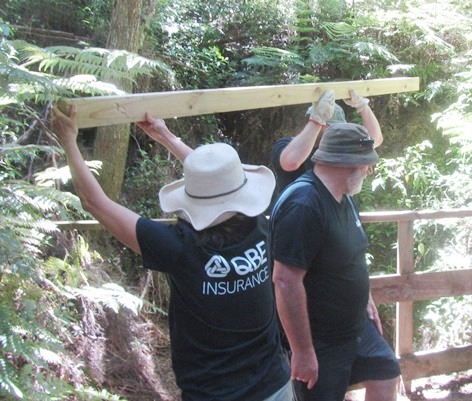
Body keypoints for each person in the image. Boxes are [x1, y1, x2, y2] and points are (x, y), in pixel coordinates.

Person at [50, 105, 292, 401]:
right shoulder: (260, 228)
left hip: (213, 395)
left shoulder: (179, 248)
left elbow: (95, 202)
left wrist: (68, 140)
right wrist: (166, 138)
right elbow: (217, 183)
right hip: (275, 384)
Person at [270, 122, 401, 401]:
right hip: (321, 340)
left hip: (355, 326)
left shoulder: (343, 196)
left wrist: (366, 297)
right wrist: (303, 351)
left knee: (386, 372)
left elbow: (350, 256)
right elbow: (284, 280)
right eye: (366, 164)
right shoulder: (304, 205)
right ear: (346, 164)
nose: (369, 170)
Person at [271, 88, 383, 195]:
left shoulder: (338, 147)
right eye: (333, 128)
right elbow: (291, 162)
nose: (338, 133)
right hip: (302, 207)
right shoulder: (285, 145)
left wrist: (362, 106)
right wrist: (317, 120)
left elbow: (375, 140)